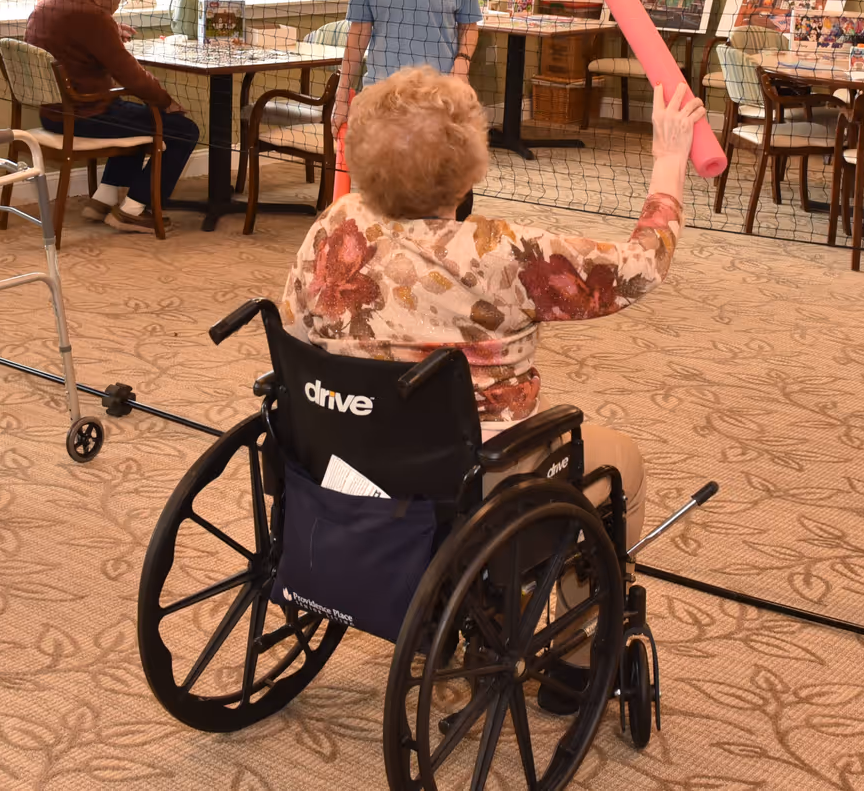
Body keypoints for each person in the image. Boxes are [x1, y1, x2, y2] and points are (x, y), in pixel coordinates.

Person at [282, 65, 704, 703]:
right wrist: (669, 162)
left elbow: (296, 331)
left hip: (344, 458)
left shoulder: (333, 226)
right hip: (474, 480)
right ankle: (576, 660)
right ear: (469, 166)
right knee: (621, 463)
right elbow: (639, 268)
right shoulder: (501, 251)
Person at [335, 0, 483, 220]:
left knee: (447, 200)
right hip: (384, 99)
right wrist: (342, 96)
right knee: (387, 204)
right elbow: (359, 33)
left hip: (439, 99)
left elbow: (469, 25)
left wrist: (461, 67)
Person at [26, 0, 200, 234]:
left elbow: (73, 36)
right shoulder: (94, 17)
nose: (120, 2)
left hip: (53, 114)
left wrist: (110, 31)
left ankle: (102, 200)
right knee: (183, 130)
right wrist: (167, 102)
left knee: (134, 115)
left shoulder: (47, 5)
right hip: (83, 116)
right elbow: (131, 75)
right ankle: (133, 210)